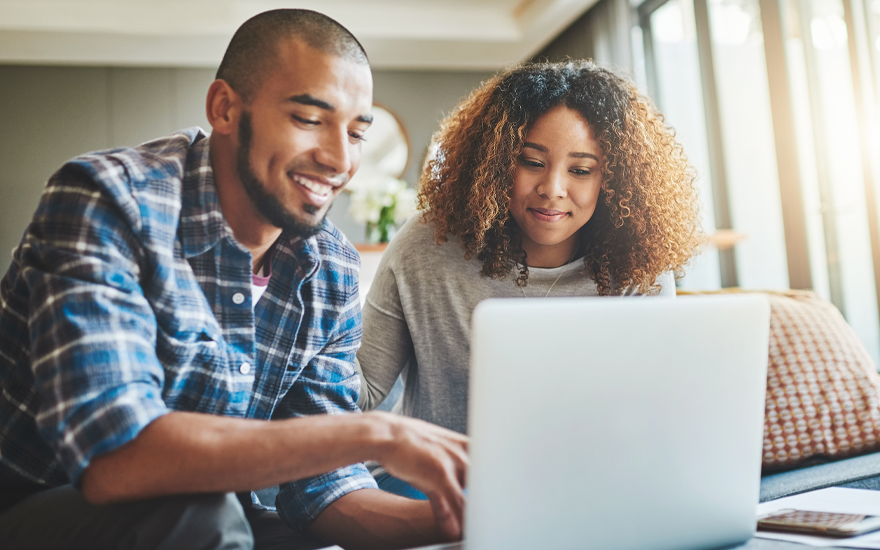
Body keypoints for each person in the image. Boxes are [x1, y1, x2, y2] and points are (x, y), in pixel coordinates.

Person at [0, 9, 468, 550]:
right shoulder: (107, 202)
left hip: (210, 515)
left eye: (357, 132)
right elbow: (114, 457)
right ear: (225, 108)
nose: (340, 158)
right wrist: (375, 432)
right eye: (309, 120)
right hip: (35, 508)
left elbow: (321, 488)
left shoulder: (330, 267)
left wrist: (466, 523)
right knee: (202, 513)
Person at [356, 60, 702, 499]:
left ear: (612, 179)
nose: (553, 188)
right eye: (532, 162)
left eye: (581, 170)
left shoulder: (637, 266)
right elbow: (361, 389)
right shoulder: (428, 245)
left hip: (583, 482)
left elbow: (653, 407)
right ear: (497, 160)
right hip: (438, 482)